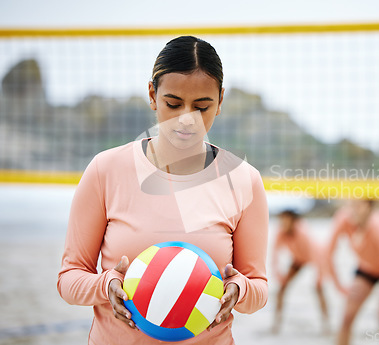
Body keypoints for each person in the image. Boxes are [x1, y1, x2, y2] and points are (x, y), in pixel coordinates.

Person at [57, 36, 269, 345]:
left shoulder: (244, 180)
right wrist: (107, 285)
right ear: (152, 95)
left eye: (202, 106)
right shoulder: (106, 170)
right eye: (173, 104)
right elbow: (69, 278)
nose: (186, 119)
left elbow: (258, 289)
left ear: (220, 101)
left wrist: (240, 290)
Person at [327, 199, 379, 345]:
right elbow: (328, 253)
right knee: (346, 318)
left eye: (358, 205)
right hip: (368, 268)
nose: (353, 209)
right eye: (351, 204)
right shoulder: (343, 219)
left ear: (370, 207)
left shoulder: (376, 225)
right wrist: (338, 285)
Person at [271, 209, 330, 335]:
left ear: (293, 221)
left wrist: (319, 277)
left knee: (319, 289)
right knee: (281, 288)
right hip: (298, 259)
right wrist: (277, 274)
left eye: (286, 220)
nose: (283, 223)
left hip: (315, 256)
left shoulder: (302, 232)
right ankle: (276, 324)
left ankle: (326, 324)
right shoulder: (281, 232)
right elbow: (275, 254)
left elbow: (316, 254)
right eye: (281, 220)